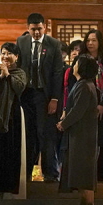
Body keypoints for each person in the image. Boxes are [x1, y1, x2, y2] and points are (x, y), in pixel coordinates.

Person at [16, 13, 64, 182]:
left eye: (39, 29)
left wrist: (55, 99)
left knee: (45, 133)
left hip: (44, 94)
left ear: (45, 27)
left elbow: (58, 72)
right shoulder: (21, 42)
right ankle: (26, 173)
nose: (36, 33)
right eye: (33, 29)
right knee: (28, 134)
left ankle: (50, 173)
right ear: (27, 28)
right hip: (26, 94)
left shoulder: (53, 44)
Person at [57, 54, 100, 205]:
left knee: (84, 172)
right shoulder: (85, 84)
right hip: (81, 134)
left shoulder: (84, 86)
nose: (74, 65)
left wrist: (64, 123)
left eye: (77, 63)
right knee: (81, 172)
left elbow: (78, 110)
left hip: (83, 135)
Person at [0, 42, 27, 199]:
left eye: (9, 53)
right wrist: (0, 76)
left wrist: (7, 74)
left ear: (16, 57)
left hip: (13, 116)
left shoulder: (19, 72)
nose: (5, 56)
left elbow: (19, 87)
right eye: (3, 53)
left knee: (12, 151)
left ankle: (11, 190)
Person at [79, 29, 103, 182]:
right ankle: (85, 176)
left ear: (99, 42)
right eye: (88, 40)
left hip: (101, 108)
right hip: (84, 108)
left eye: (94, 40)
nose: (90, 43)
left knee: (101, 141)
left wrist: (102, 104)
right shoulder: (80, 61)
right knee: (85, 142)